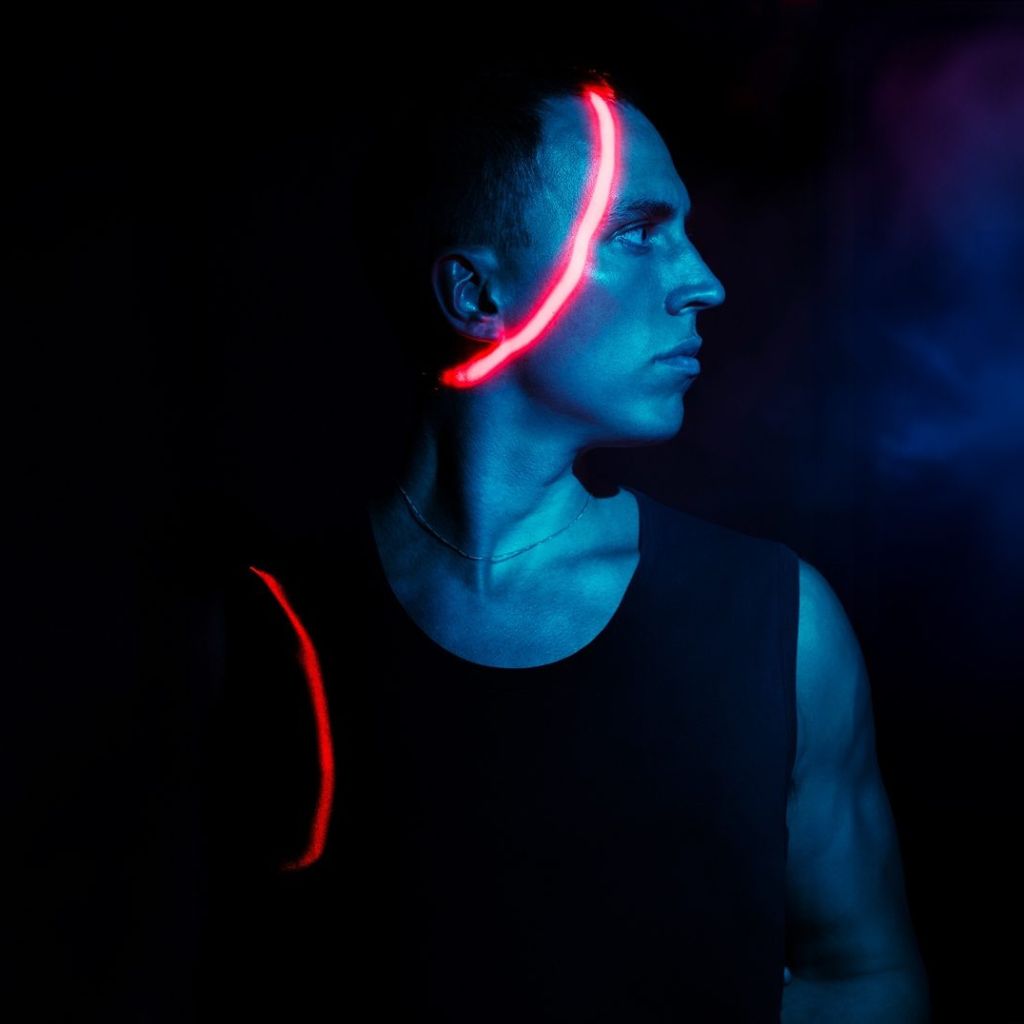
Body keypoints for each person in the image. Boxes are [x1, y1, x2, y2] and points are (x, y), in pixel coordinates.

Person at [194, 56, 931, 1022]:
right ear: (475, 296)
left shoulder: (777, 624)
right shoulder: (269, 626)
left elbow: (865, 977)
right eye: (637, 232)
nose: (705, 283)